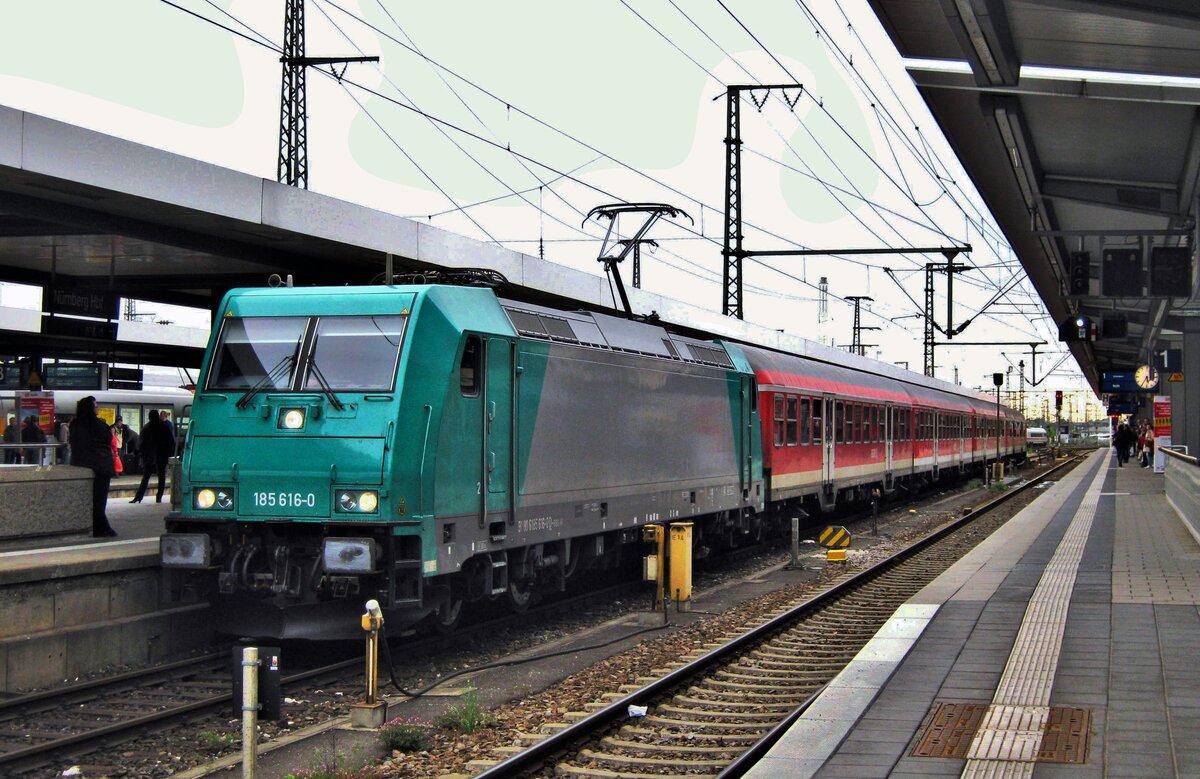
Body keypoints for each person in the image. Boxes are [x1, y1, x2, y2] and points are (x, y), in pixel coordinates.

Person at [69, 396, 117, 537]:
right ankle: (101, 527)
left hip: (80, 464)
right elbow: (107, 440)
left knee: (86, 499)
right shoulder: (100, 424)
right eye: (96, 406)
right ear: (91, 408)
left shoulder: (75, 424)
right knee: (99, 499)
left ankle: (100, 526)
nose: (98, 408)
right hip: (100, 465)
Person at [132, 409, 175, 503]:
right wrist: (168, 454)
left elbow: (141, 443)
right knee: (161, 476)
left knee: (146, 477)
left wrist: (142, 455)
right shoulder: (164, 427)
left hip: (149, 457)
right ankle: (159, 497)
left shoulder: (146, 428)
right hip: (161, 456)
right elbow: (171, 442)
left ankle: (139, 496)